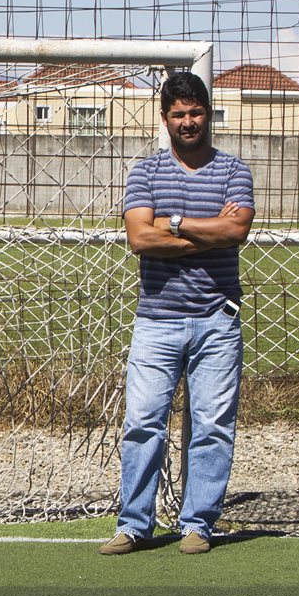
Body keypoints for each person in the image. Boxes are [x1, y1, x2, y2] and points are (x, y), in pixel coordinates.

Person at [100, 71, 254, 556]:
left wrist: (174, 223)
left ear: (207, 114)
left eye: (196, 112)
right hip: (157, 319)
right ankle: (134, 525)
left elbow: (236, 232)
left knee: (212, 426)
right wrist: (205, 233)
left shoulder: (234, 171)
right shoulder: (145, 173)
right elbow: (139, 238)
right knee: (143, 422)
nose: (188, 122)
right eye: (179, 114)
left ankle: (198, 525)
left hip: (218, 319)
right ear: (165, 119)